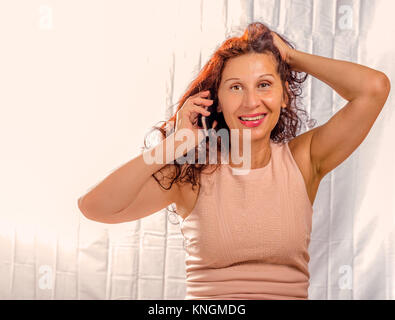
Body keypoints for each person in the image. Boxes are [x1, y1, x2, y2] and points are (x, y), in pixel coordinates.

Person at [77, 22, 391, 299]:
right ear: (218, 99)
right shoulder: (192, 174)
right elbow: (95, 207)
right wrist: (174, 145)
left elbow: (374, 89)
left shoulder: (304, 160)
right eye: (236, 87)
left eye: (265, 84)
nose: (251, 101)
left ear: (284, 95)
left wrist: (291, 58)